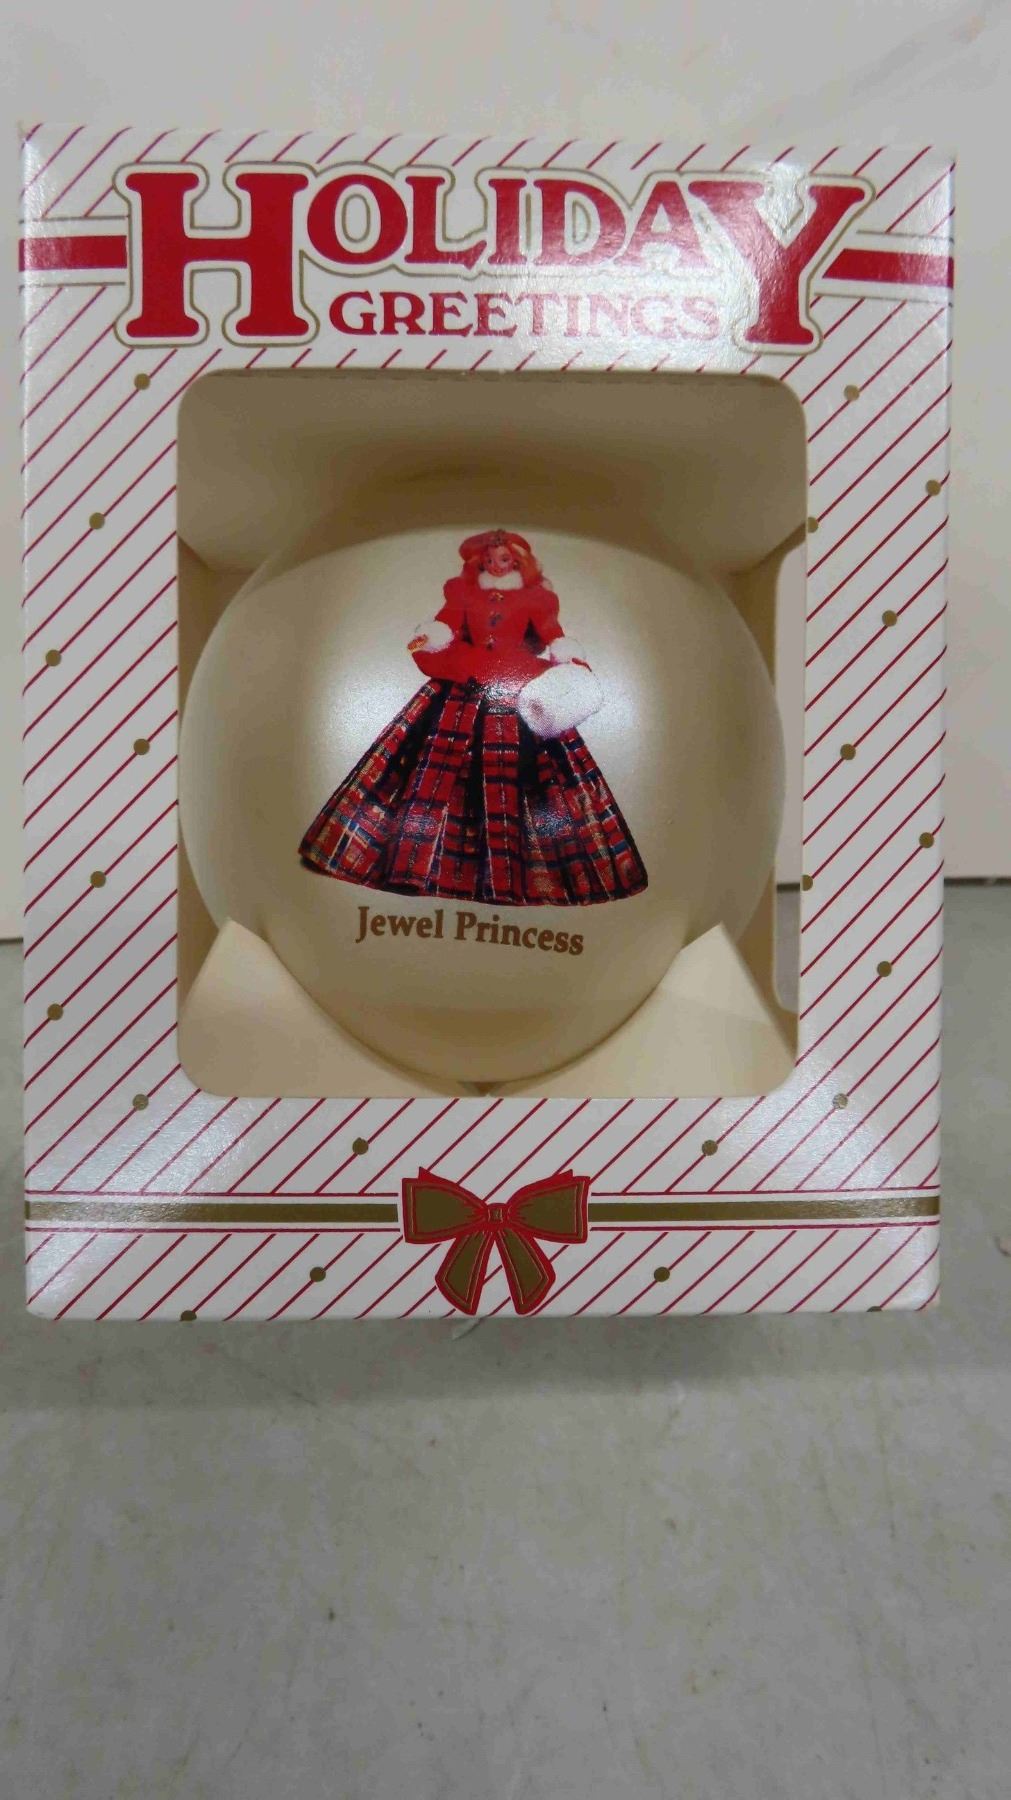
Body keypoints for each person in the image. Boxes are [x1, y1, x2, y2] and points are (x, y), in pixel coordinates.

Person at [298, 529, 648, 906]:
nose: (497, 565)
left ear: (518, 562)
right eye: (490, 559)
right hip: (465, 672)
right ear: (480, 561)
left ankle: (510, 876)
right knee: (431, 766)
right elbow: (447, 623)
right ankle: (414, 863)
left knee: (526, 773)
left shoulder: (537, 598)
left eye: (505, 560)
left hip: (516, 678)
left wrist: (568, 657)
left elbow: (552, 633)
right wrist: (432, 636)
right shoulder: (462, 592)